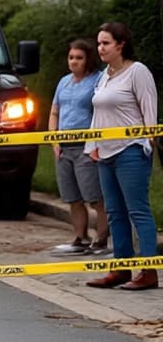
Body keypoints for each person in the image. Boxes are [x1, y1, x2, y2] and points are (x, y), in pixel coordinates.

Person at [85, 22, 159, 290]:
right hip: (105, 151)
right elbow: (97, 114)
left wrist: (148, 144)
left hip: (130, 149)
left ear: (121, 44)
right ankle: (121, 267)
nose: (100, 48)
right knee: (115, 212)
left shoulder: (137, 72)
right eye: (99, 43)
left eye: (105, 43)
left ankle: (149, 270)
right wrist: (92, 144)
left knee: (137, 210)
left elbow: (150, 111)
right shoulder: (105, 75)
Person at [47, 37, 107, 255]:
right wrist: (53, 140)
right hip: (64, 146)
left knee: (94, 196)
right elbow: (54, 112)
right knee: (72, 197)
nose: (73, 62)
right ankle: (80, 237)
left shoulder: (98, 80)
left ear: (88, 59)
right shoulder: (63, 82)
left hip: (85, 146)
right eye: (71, 57)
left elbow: (102, 111)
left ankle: (102, 239)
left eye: (79, 58)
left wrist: (95, 143)